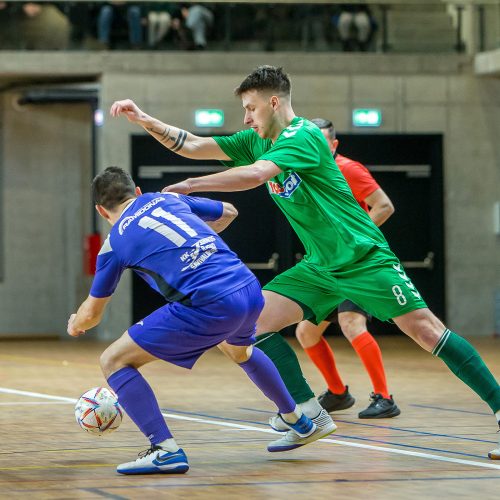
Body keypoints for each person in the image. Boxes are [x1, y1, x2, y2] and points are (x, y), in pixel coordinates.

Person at [109, 66, 500, 460]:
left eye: (250, 108)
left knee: (427, 332)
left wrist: (191, 186)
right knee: (246, 327)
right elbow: (192, 145)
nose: (246, 118)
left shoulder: (304, 136)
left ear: (273, 102)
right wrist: (143, 119)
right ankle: (308, 413)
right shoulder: (256, 139)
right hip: (319, 267)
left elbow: (256, 176)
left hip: (362, 258)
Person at [67, 166, 335, 475]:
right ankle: (298, 420)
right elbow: (230, 210)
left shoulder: (115, 243)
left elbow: (93, 314)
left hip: (209, 303)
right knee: (239, 350)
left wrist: (76, 323)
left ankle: (165, 450)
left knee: (113, 360)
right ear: (137, 191)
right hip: (247, 288)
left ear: (102, 211)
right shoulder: (166, 200)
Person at [295, 117, 399, 419]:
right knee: (306, 332)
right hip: (327, 267)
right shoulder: (306, 171)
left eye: (321, 141)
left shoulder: (349, 169)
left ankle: (385, 397)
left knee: (352, 324)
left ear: (334, 144)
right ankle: (338, 393)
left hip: (356, 264)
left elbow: (384, 206)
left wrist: (352, 240)